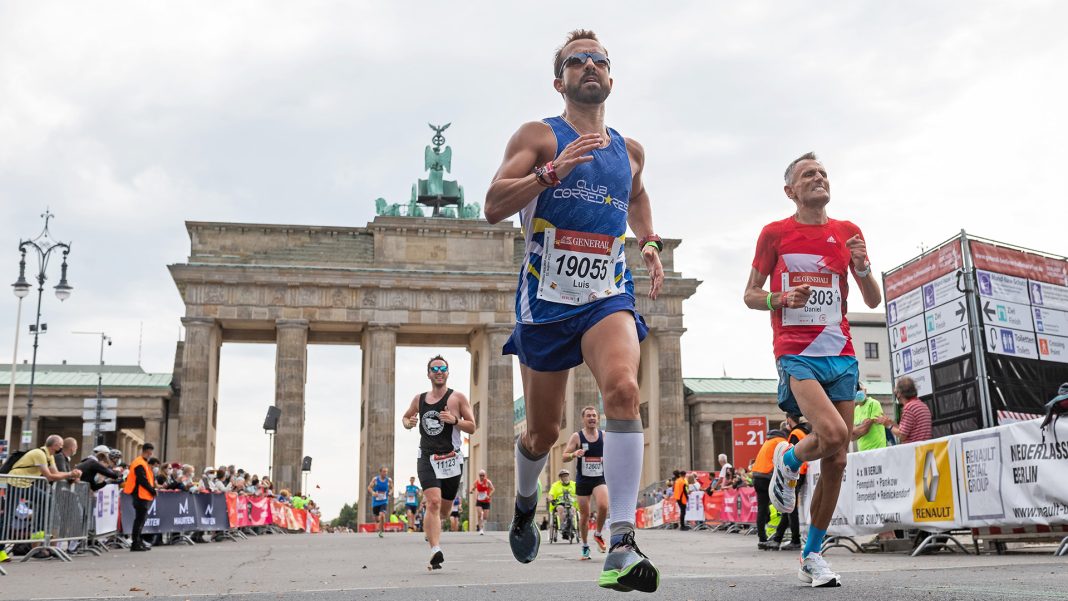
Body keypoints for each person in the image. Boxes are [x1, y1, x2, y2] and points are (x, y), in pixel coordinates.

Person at [485, 28, 665, 593]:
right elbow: (493, 204)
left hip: (606, 292)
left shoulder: (628, 151)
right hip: (545, 300)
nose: (589, 66)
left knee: (623, 391)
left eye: (599, 60)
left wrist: (651, 242)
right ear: (559, 79)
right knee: (542, 431)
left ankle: (621, 540)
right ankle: (524, 502)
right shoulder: (540, 135)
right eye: (576, 60)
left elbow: (635, 195)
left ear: (611, 77)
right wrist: (550, 172)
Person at [745, 151, 882, 587]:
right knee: (835, 434)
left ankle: (812, 555)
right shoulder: (774, 234)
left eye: (823, 173)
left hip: (840, 353)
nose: (819, 178)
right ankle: (790, 460)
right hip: (796, 352)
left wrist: (863, 268)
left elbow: (873, 299)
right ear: (791, 191)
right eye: (808, 175)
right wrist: (779, 299)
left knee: (838, 458)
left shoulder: (848, 232)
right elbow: (750, 294)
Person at [400, 354, 476, 570]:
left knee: (443, 511)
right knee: (433, 502)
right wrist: (409, 423)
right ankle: (435, 549)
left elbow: (472, 426)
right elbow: (406, 417)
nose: (439, 371)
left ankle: (431, 529)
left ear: (448, 373)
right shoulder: (419, 399)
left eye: (443, 368)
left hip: (452, 459)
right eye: (435, 369)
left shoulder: (457, 398)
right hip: (427, 458)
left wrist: (455, 421)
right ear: (429, 374)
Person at [562, 405, 609, 559]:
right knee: (584, 516)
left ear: (598, 418)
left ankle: (598, 533)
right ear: (583, 419)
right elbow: (564, 456)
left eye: (594, 415)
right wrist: (574, 453)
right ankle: (585, 546)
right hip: (583, 479)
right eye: (588, 416)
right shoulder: (577, 437)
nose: (592, 418)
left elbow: (613, 452)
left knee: (603, 505)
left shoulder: (604, 436)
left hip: (599, 478)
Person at [772, 415, 810, 551]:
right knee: (789, 507)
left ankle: (794, 539)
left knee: (790, 507)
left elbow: (794, 454)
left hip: (796, 472)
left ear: (789, 419)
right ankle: (779, 537)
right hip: (803, 472)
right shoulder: (804, 432)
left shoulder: (795, 433)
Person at [877, 377, 932, 444]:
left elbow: (902, 435)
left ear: (899, 393)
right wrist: (891, 422)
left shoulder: (909, 408)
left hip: (914, 450)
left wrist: (888, 425)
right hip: (922, 449)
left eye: (896, 392)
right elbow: (906, 430)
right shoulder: (922, 405)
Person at [124, 443, 157, 552]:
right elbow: (142, 480)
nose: (151, 454)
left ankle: (138, 541)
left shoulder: (143, 462)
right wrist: (152, 490)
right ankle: (135, 543)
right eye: (150, 452)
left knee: (141, 519)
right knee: (139, 519)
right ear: (148, 451)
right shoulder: (139, 463)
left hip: (142, 494)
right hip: (139, 494)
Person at [852, 385, 888, 451]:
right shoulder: (856, 409)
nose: (858, 392)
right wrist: (859, 428)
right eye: (855, 390)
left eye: (860, 389)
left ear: (865, 390)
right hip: (862, 451)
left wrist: (855, 430)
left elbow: (865, 429)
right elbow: (851, 437)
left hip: (877, 449)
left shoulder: (873, 403)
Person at [548, 468, 578, 537]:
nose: (565, 477)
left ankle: (572, 525)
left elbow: (579, 493)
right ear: (560, 477)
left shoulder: (574, 484)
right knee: (560, 509)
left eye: (566, 476)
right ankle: (563, 526)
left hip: (571, 503)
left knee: (572, 510)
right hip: (560, 503)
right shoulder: (555, 485)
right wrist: (551, 500)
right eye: (563, 476)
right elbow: (550, 495)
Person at [367, 467, 392, 539]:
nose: (385, 473)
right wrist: (373, 492)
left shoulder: (389, 480)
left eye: (386, 472)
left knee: (382, 515)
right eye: (384, 471)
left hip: (384, 500)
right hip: (376, 501)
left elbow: (392, 488)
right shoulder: (375, 479)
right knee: (377, 518)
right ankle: (380, 525)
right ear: (380, 472)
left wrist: (390, 492)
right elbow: (369, 487)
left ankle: (381, 530)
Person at [469, 470, 494, 535]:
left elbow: (493, 489)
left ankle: (479, 523)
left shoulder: (488, 482)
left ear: (485, 475)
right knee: (480, 514)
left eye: (483, 475)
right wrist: (471, 491)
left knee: (485, 517)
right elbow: (473, 488)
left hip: (486, 500)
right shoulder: (477, 482)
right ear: (479, 475)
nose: (482, 477)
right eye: (480, 475)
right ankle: (481, 529)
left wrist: (489, 496)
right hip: (479, 500)